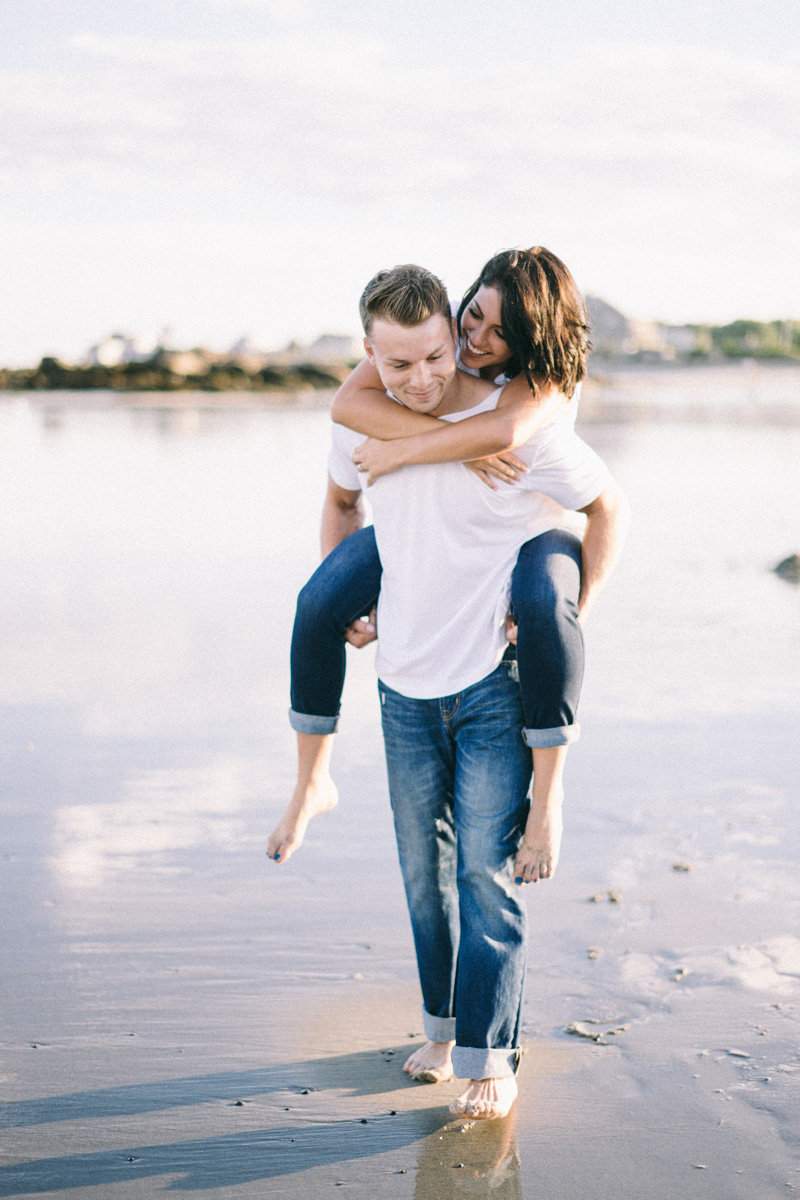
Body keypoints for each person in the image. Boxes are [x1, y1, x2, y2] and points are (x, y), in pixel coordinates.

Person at [269, 262, 627, 1120]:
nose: (431, 372)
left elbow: (606, 508)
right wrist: (354, 598)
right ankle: (442, 1029)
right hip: (403, 687)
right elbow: (340, 498)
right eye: (402, 364)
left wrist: (576, 608)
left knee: (482, 875)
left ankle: (490, 1052)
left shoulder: (517, 425)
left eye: (444, 353)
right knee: (421, 877)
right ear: (372, 356)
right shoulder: (366, 415)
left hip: (489, 684)